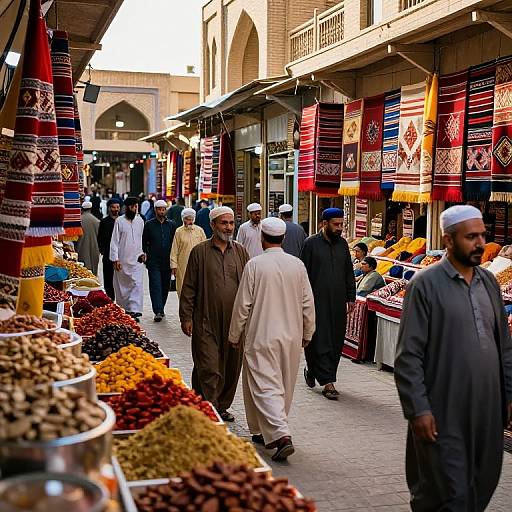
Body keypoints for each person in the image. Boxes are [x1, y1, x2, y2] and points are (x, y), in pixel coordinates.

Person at [395, 205, 512, 512]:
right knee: (447, 493)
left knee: (482, 482)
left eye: (482, 235)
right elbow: (409, 356)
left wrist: (508, 395)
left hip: (487, 412)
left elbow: (505, 347)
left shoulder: (489, 283)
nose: (480, 243)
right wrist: (418, 409)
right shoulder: (425, 285)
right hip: (443, 411)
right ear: (448, 240)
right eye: (471, 237)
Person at [229, 217, 315, 461]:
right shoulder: (296, 265)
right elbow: (308, 303)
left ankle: (280, 435)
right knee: (283, 386)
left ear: (262, 238)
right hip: (291, 336)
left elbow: (242, 304)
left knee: (264, 386)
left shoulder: (255, 265)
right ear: (284, 239)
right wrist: (308, 332)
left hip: (261, 335)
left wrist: (234, 334)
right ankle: (260, 431)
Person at [179, 206, 249, 421]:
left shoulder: (240, 252)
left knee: (231, 366)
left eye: (230, 223)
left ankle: (219, 405)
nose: (228, 227)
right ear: (212, 225)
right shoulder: (200, 252)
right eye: (223, 223)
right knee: (209, 365)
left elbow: (249, 287)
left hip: (234, 322)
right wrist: (186, 317)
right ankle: (211, 407)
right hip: (205, 319)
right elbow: (189, 286)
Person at [301, 208, 356, 400]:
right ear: (324, 223)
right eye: (336, 224)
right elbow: (303, 274)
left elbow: (348, 272)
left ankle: (315, 371)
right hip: (316, 302)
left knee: (335, 340)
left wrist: (351, 297)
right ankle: (328, 383)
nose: (340, 228)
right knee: (320, 339)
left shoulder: (342, 245)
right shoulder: (310, 244)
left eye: (342, 224)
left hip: (338, 302)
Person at [109, 197, 145, 320]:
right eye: (133, 207)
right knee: (122, 287)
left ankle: (135, 310)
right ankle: (124, 310)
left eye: (136, 207)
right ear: (128, 207)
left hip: (136, 260)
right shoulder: (120, 221)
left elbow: (141, 239)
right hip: (122, 260)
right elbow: (114, 241)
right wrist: (115, 259)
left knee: (137, 284)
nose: (135, 209)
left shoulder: (140, 221)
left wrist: (142, 253)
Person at [142, 200, 177, 322]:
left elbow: (175, 243)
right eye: (159, 209)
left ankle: (161, 307)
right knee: (155, 285)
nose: (162, 211)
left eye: (163, 209)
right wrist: (146, 255)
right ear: (155, 210)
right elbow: (144, 242)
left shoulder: (172, 225)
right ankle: (157, 310)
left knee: (165, 286)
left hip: (167, 260)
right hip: (153, 261)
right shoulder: (149, 224)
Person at [170, 208, 206, 297]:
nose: (189, 221)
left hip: (198, 264)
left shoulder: (199, 231)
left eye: (191, 219)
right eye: (187, 219)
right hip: (182, 265)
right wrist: (173, 266)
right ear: (183, 219)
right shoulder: (179, 232)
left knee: (197, 288)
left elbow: (205, 247)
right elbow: (174, 250)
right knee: (182, 288)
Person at [97, 198, 120, 300]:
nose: (115, 209)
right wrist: (103, 250)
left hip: (121, 256)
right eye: (113, 207)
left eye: (117, 207)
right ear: (109, 208)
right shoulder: (104, 222)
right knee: (108, 279)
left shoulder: (122, 221)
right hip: (107, 256)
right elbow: (100, 238)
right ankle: (110, 300)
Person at [76, 201, 100, 275]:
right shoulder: (96, 221)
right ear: (90, 209)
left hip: (81, 247)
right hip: (94, 248)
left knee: (82, 270)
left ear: (82, 209)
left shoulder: (78, 220)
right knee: (93, 270)